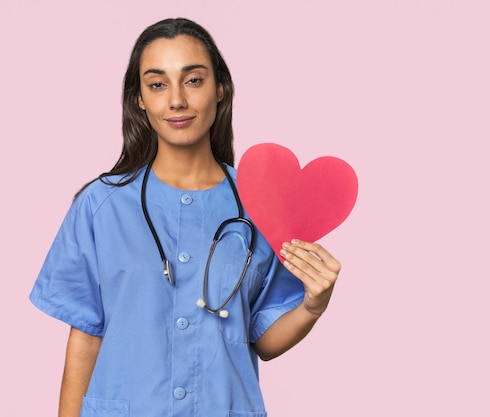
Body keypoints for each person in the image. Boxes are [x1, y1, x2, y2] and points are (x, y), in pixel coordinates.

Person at [30, 17, 340, 417]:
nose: (176, 100)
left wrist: (313, 306)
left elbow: (263, 338)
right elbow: (86, 338)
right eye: (157, 84)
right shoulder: (100, 206)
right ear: (139, 98)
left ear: (220, 89)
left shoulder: (261, 205)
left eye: (193, 80)